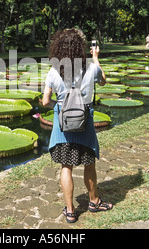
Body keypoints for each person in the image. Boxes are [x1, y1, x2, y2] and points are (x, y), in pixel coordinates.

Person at [42, 28, 113, 223]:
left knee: (67, 166)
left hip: (63, 124)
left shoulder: (54, 71)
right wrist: (96, 58)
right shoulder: (91, 68)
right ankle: (94, 201)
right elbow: (104, 82)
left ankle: (71, 210)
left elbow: (45, 101)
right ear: (81, 48)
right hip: (86, 122)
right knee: (89, 162)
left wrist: (60, 107)